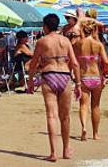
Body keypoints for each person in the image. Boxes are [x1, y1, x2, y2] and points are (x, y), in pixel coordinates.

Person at [28, 13, 81, 162]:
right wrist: (78, 84)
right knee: (65, 116)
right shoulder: (65, 41)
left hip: (49, 75)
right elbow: (75, 63)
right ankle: (66, 149)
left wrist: (31, 81)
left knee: (51, 115)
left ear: (45, 27)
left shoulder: (42, 41)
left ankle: (53, 153)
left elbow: (33, 64)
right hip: (64, 76)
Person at [74, 19, 108, 141]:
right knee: (95, 106)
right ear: (93, 30)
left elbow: (74, 62)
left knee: (83, 105)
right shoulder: (98, 45)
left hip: (84, 77)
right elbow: (106, 62)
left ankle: (84, 128)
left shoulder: (78, 44)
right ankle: (95, 134)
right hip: (96, 77)